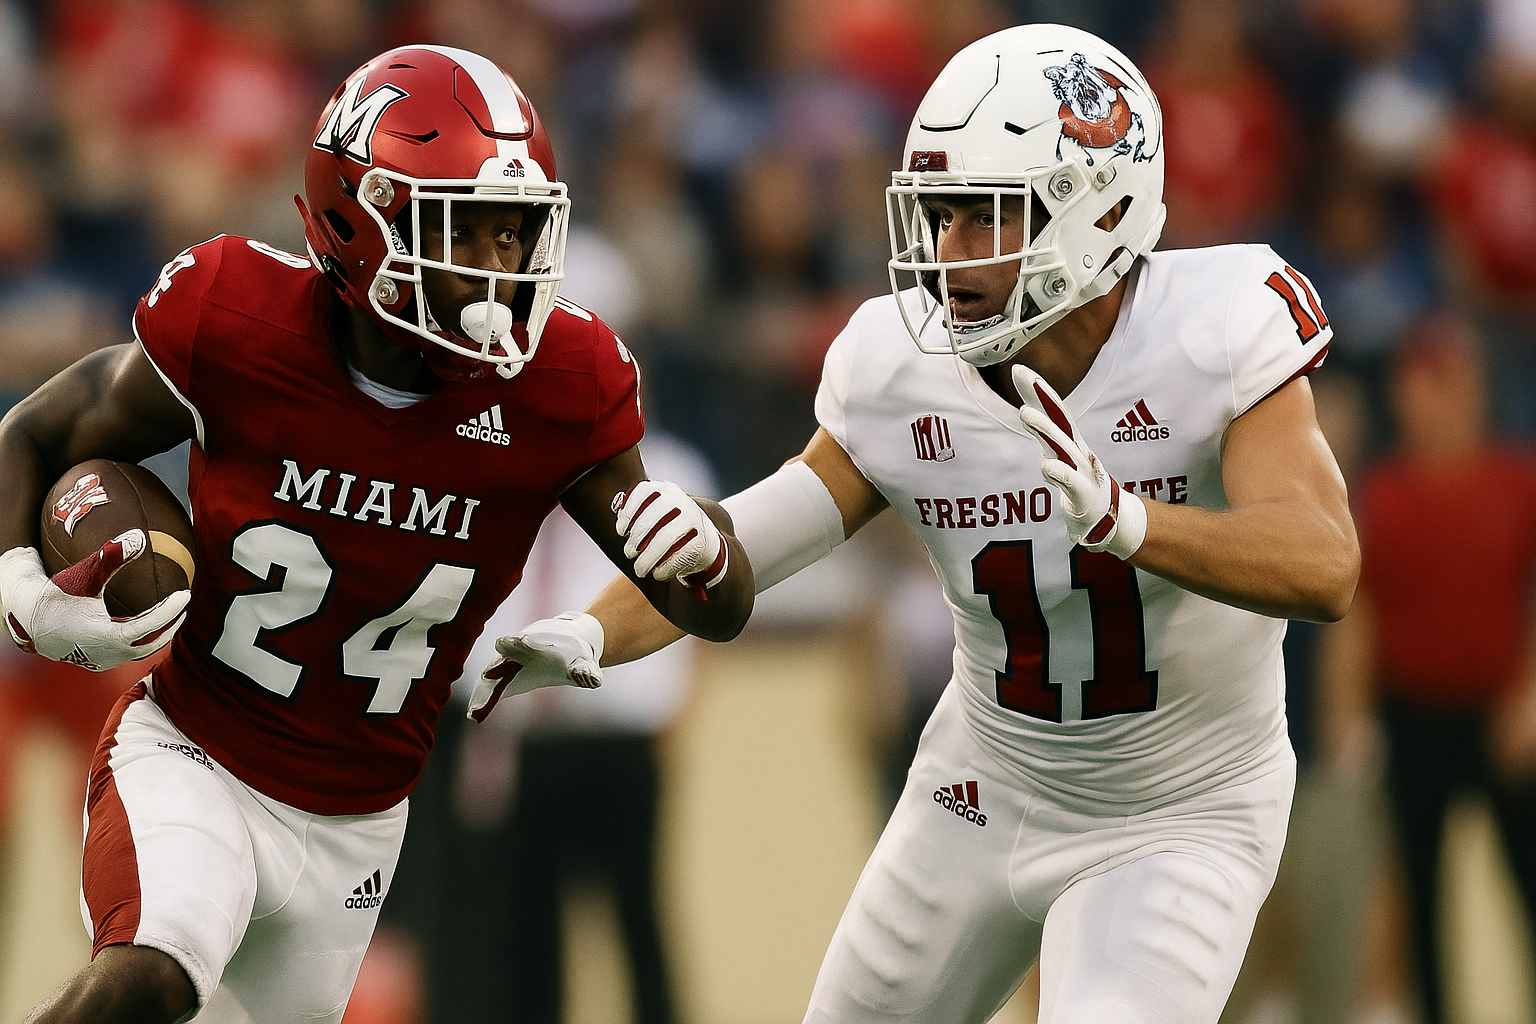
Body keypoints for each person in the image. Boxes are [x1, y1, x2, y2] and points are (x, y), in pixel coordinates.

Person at [473, 24, 1360, 1024]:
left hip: (1178, 808)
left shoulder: (1216, 326)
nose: (948, 255)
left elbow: (1325, 562)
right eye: (938, 216)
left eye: (984, 217)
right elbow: (741, 543)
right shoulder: (901, 366)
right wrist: (594, 633)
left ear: (1101, 211)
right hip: (984, 786)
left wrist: (1130, 522)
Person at [0, 45, 752, 1024]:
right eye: (465, 233)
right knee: (153, 966)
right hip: (198, 755)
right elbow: (39, 430)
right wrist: (20, 580)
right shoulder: (239, 315)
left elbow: (717, 604)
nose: (496, 269)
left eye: (512, 236)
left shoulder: (562, 387)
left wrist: (706, 556)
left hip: (360, 822)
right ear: (360, 220)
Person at [1330, 319, 1536, 1024]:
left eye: (1448, 385)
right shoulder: (1384, 495)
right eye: (1420, 387)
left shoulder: (1516, 480)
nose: (1435, 402)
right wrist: (1349, 721)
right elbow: (1360, 611)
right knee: (1421, 892)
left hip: (1503, 715)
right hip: (1413, 714)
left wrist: (1531, 697)